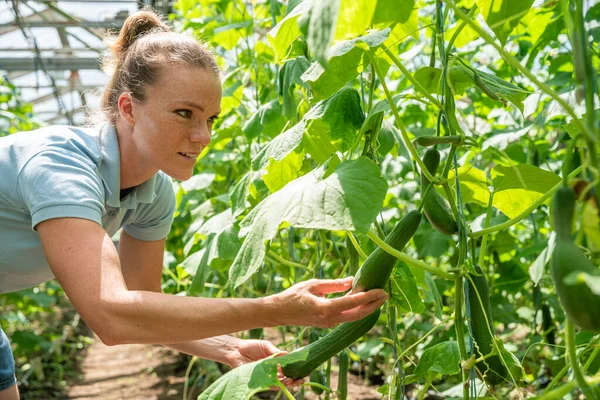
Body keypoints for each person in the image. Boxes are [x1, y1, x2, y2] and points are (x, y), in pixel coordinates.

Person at [0, 9, 387, 399]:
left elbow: (144, 307)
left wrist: (229, 348)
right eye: (184, 113)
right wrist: (275, 308)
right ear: (128, 109)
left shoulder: (155, 193)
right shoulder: (61, 166)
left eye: (211, 119)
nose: (202, 136)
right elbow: (112, 316)